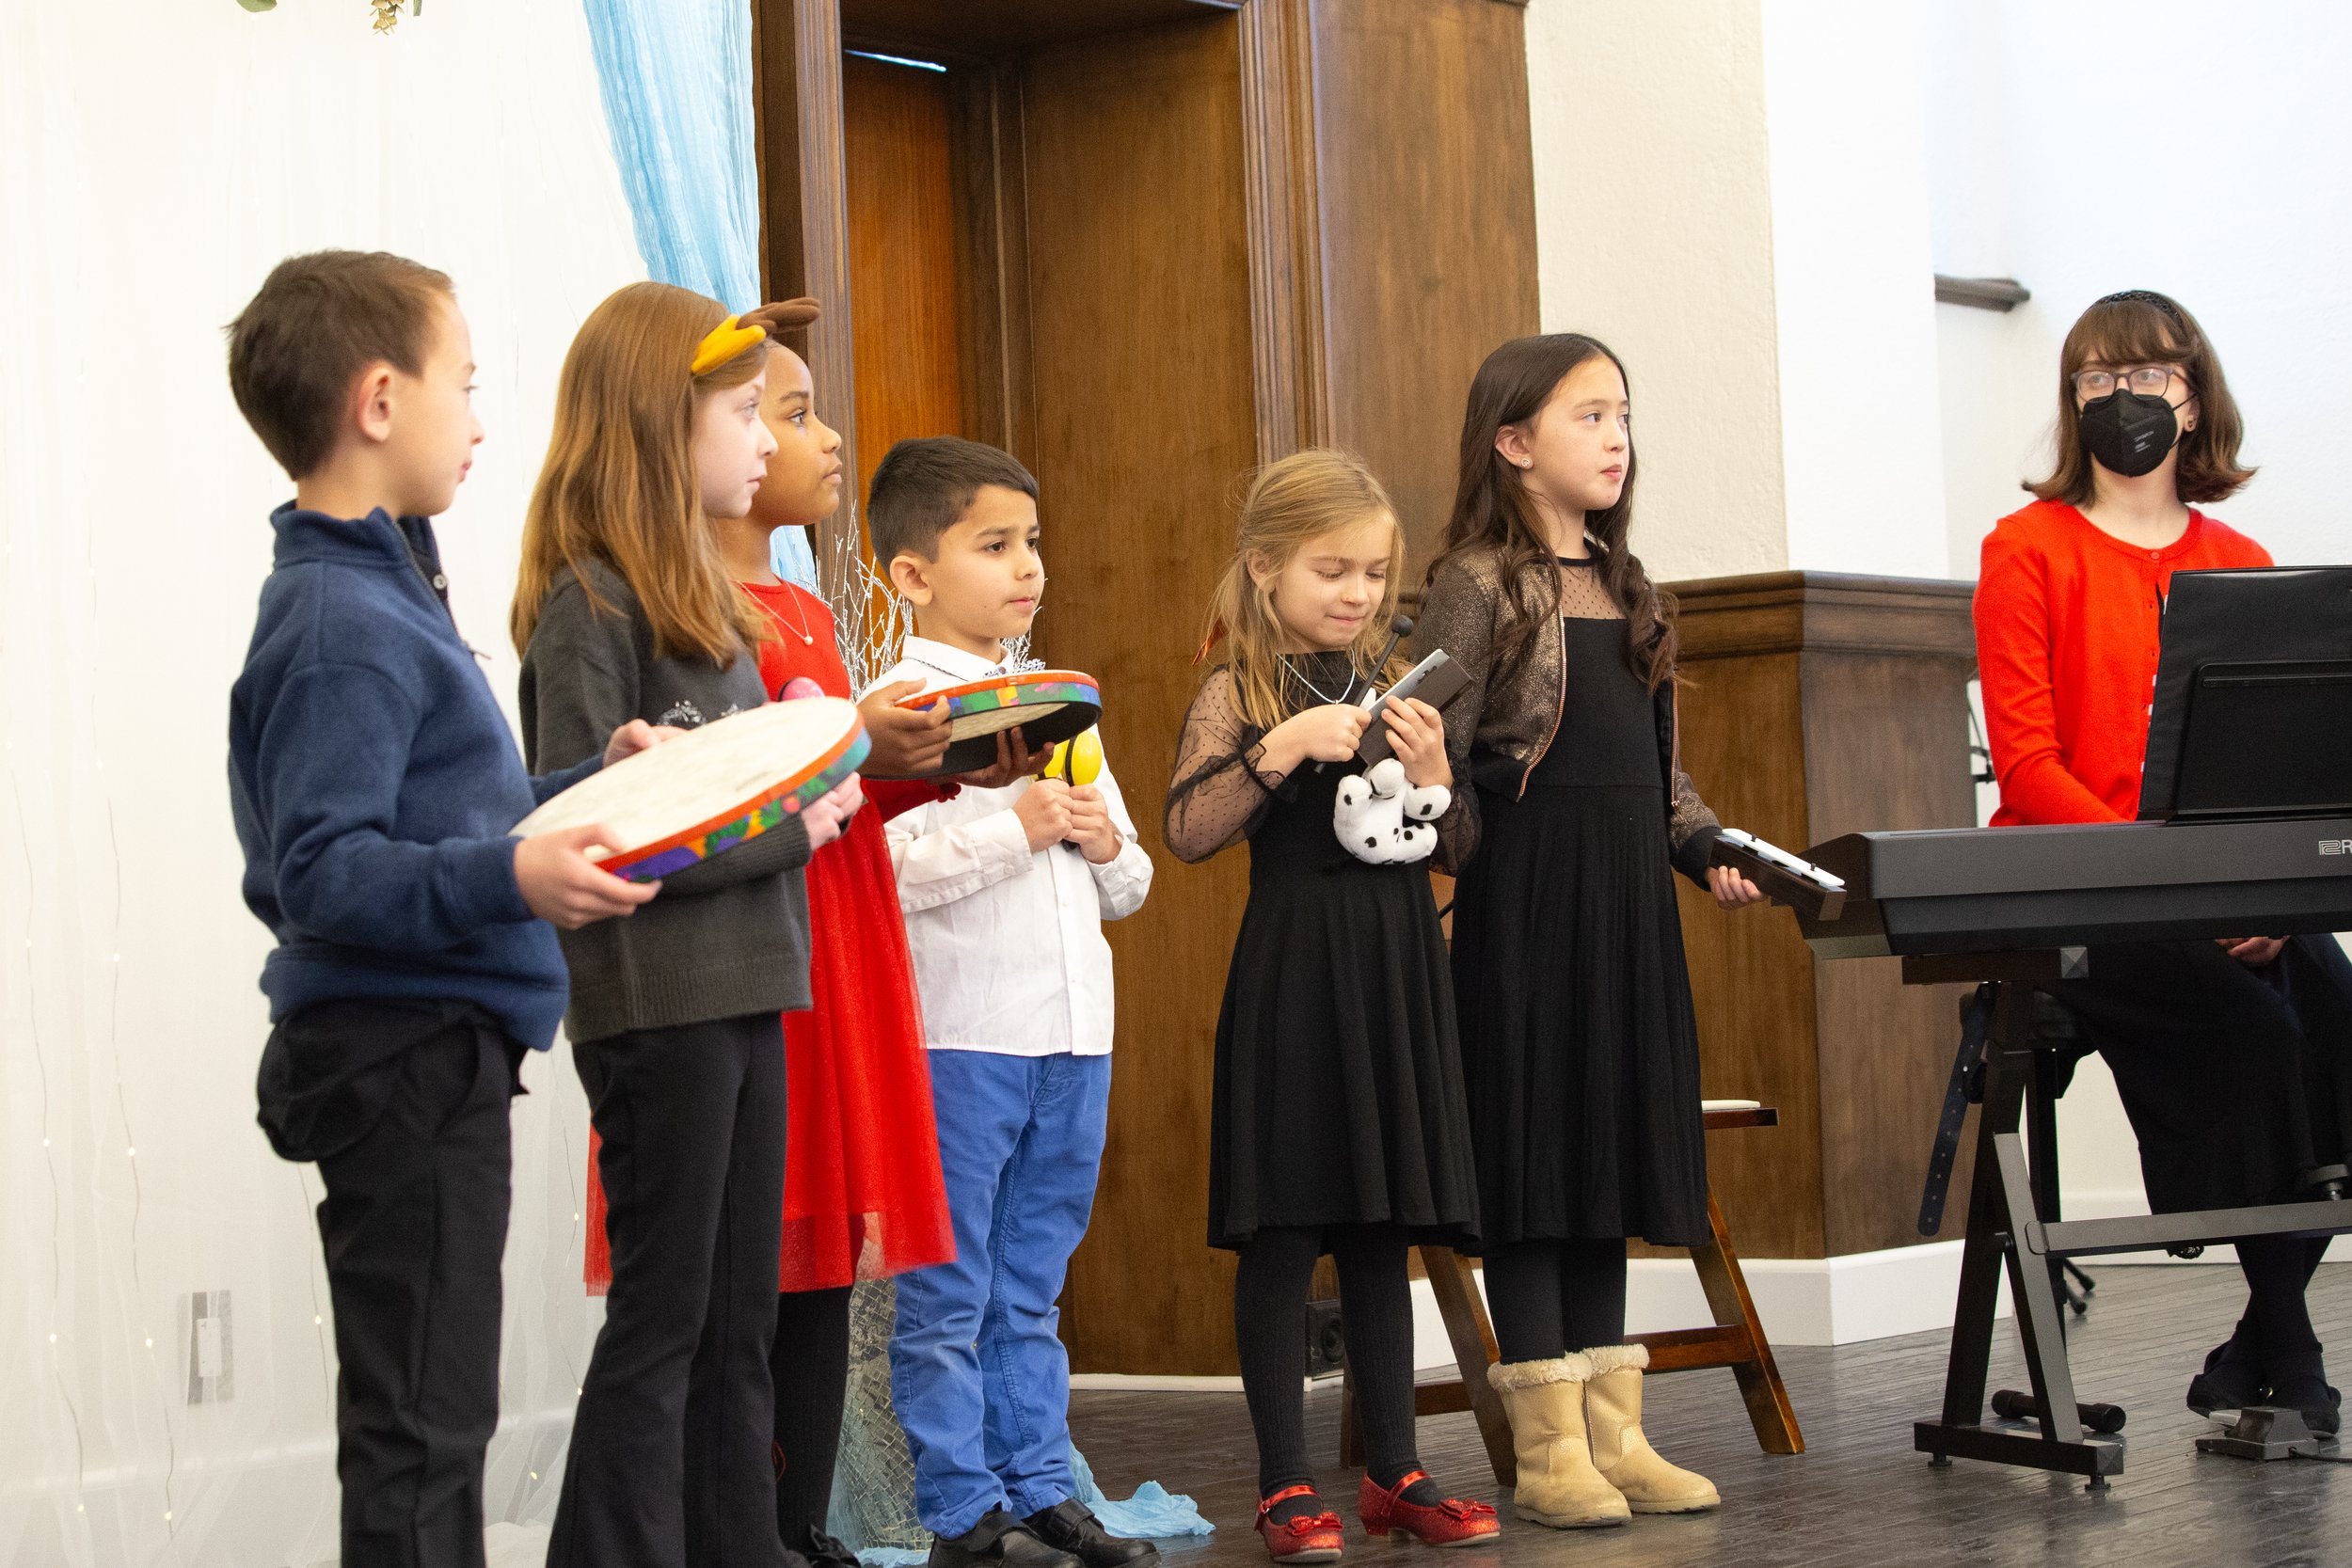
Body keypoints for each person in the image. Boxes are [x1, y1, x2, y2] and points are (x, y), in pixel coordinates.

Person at [226, 249, 664, 1568]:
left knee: (436, 1415)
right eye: (461, 385)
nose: (479, 421)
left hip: (432, 1045)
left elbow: (441, 816)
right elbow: (326, 870)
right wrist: (514, 876)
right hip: (397, 1050)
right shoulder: (337, 617)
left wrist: (593, 784)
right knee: (422, 1427)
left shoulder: (383, 588)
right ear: (375, 400)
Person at [513, 282, 863, 1568]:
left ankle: (740, 1541)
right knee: (666, 1316)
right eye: (738, 412)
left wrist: (790, 805)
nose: (767, 441)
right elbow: (595, 825)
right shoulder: (593, 606)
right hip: (659, 1007)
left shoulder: (708, 610)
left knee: (737, 1313)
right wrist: (795, 825)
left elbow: (742, 788)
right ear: (664, 428)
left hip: (749, 986)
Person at [1975, 287, 2352, 1433]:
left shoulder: (2242, 557)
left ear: (2194, 399)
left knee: (2331, 1006)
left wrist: (2260, 900)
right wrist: (2167, 884)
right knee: (2253, 1028)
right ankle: (2288, 1341)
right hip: (2077, 890)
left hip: (2220, 888)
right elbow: (2031, 766)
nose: (2121, 398)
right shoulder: (2025, 548)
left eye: (2148, 377)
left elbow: (2267, 769)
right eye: (2095, 379)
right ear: (2071, 400)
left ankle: (2255, 1342)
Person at [1416, 334, 1762, 1529]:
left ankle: (1618, 1432)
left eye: (1624, 414)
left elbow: (1665, 782)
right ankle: (1548, 1446)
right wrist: (1443, 838)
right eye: (1588, 416)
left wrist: (1710, 847)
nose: (1616, 437)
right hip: (1527, 904)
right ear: (1514, 443)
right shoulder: (1476, 579)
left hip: (1626, 907)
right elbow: (1440, 764)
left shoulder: (1633, 584)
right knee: (1533, 1165)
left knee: (1605, 1159)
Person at [1164, 450, 1499, 1562]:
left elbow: (1457, 851)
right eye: (1330, 569)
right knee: (1285, 1225)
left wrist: (1440, 764)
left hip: (1395, 972)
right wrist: (1278, 749)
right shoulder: (1240, 690)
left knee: (1378, 1223)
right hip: (1298, 973)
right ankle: (1282, 1480)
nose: (1355, 593)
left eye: (1372, 572)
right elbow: (1188, 829)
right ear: (1264, 568)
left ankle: (1394, 1469)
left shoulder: (1390, 686)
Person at [867, 437, 1156, 1568]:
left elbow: (1129, 886)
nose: (1027, 567)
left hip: (1074, 1035)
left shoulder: (1060, 701)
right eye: (994, 544)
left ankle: (1040, 1480)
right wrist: (1012, 829)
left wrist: (1092, 834)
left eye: (1032, 542)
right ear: (912, 573)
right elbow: (877, 876)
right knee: (945, 1289)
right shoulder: (892, 709)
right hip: (959, 1036)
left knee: (1032, 1284)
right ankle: (958, 1504)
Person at [717, 299, 960, 1567]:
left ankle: (799, 1518)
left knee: (824, 1255)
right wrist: (861, 737)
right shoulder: (702, 604)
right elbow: (750, 780)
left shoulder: (806, 604)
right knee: (756, 1251)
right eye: (793, 410)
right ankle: (746, 1521)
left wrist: (926, 757)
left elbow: (840, 782)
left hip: (839, 943)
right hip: (768, 952)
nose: (825, 436)